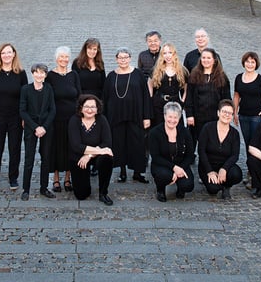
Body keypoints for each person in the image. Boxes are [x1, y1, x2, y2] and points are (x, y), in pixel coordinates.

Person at [102, 48, 151, 184]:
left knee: (137, 144)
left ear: (130, 58)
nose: (123, 60)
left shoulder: (138, 74)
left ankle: (137, 173)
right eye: (120, 57)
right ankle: (122, 172)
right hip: (116, 116)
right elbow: (105, 97)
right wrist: (104, 117)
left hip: (136, 115)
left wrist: (147, 116)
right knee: (119, 144)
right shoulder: (111, 76)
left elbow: (146, 96)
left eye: (125, 57)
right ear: (116, 59)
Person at [0, 43, 28, 191]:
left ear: (14, 54)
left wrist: (24, 116)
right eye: (3, 53)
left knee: (14, 148)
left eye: (9, 52)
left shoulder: (21, 73)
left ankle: (13, 177)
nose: (6, 55)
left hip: (16, 117)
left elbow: (25, 96)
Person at [68, 94, 115, 205]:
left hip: (95, 156)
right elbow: (76, 146)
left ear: (97, 108)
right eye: (86, 107)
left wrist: (89, 155)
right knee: (81, 194)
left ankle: (103, 193)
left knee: (107, 158)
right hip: (78, 156)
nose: (89, 110)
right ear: (81, 108)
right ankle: (85, 185)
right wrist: (100, 150)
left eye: (93, 107)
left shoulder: (102, 120)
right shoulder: (74, 120)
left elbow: (107, 143)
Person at [47, 46, 81, 193]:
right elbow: (47, 97)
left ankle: (68, 178)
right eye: (61, 57)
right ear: (56, 58)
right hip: (55, 118)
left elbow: (79, 95)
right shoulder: (50, 76)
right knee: (55, 147)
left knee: (70, 147)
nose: (64, 59)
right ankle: (55, 178)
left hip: (72, 118)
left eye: (66, 57)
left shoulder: (74, 75)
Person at [20, 64, 57, 200]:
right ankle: (26, 189)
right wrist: (35, 127)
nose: (39, 75)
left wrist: (44, 127)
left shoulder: (49, 88)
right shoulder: (26, 89)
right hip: (31, 127)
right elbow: (22, 111)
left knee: (46, 158)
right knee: (29, 158)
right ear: (33, 74)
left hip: (46, 127)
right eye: (37, 72)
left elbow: (52, 110)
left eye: (42, 73)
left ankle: (44, 188)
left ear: (45, 75)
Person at [148, 102, 195, 202]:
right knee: (164, 176)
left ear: (179, 118)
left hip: (181, 164)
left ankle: (181, 189)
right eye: (170, 117)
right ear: (164, 116)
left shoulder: (185, 132)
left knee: (188, 185)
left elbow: (190, 155)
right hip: (162, 165)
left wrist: (180, 169)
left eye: (175, 117)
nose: (172, 120)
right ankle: (160, 190)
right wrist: (174, 168)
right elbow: (156, 157)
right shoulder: (154, 133)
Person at [197, 100, 244, 200]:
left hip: (224, 165)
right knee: (213, 189)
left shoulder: (234, 133)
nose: (227, 115)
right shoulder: (207, 128)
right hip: (207, 166)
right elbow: (201, 151)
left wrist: (224, 169)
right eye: (224, 112)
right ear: (218, 113)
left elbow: (235, 155)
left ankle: (226, 187)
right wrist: (209, 171)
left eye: (230, 113)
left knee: (236, 174)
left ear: (232, 116)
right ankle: (216, 184)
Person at [233, 52, 261, 152]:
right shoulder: (238, 78)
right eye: (247, 62)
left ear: (256, 64)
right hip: (243, 115)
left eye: (252, 62)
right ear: (244, 63)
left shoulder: (260, 79)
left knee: (256, 143)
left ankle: (257, 161)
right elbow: (236, 95)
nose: (250, 64)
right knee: (247, 142)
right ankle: (250, 161)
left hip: (257, 117)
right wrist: (235, 112)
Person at [185, 48, 231, 148]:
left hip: (215, 118)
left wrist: (224, 115)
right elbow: (189, 97)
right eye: (203, 58)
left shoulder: (222, 77)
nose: (206, 60)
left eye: (209, 58)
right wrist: (189, 115)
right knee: (195, 142)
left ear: (214, 60)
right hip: (197, 118)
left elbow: (227, 99)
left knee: (212, 143)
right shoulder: (194, 75)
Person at [149, 42, 188, 129]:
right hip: (159, 104)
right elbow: (150, 86)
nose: (168, 56)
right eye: (165, 53)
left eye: (170, 52)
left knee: (177, 129)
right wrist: (151, 101)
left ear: (174, 54)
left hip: (176, 103)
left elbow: (186, 89)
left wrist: (182, 102)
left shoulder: (182, 70)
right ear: (162, 55)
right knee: (158, 129)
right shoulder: (156, 70)